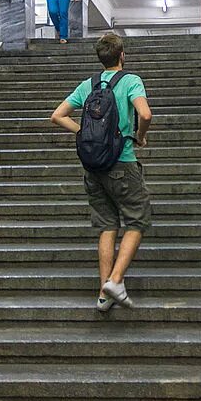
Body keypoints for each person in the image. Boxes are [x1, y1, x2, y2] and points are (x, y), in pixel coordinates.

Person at [50, 33, 153, 312]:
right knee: (137, 220)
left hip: (93, 167)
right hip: (122, 162)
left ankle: (103, 295)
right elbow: (145, 114)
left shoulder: (89, 85)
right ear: (122, 55)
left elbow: (57, 115)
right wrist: (139, 136)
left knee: (107, 226)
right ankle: (116, 280)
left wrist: (83, 132)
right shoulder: (131, 81)